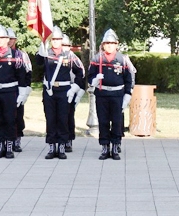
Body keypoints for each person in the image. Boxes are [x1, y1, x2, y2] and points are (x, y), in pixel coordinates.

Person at [88, 30, 136, 160]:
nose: (109, 45)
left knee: (116, 121)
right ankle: (105, 148)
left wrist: (127, 95)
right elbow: (89, 76)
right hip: (102, 94)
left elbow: (129, 79)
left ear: (117, 44)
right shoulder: (97, 58)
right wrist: (95, 80)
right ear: (103, 44)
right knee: (103, 121)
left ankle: (115, 147)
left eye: (112, 43)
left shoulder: (123, 59)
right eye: (107, 43)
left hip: (117, 95)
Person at [39, 30, 86, 160]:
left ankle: (61, 147)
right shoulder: (46, 54)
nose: (55, 42)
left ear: (61, 41)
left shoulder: (69, 55)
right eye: (53, 39)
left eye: (58, 39)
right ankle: (51, 147)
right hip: (49, 90)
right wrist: (41, 46)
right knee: (50, 118)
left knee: (63, 119)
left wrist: (74, 88)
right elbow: (38, 63)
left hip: (64, 90)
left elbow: (80, 72)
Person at [0, 26, 25, 159]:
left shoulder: (16, 55)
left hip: (11, 91)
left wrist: (22, 92)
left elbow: (21, 74)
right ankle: (0, 146)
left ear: (7, 39)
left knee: (10, 119)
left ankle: (9, 147)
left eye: (2, 38)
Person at [8, 28, 30, 152]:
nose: (9, 41)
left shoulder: (21, 54)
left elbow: (27, 73)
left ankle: (17, 139)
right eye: (8, 39)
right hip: (4, 89)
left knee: (17, 115)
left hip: (18, 88)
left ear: (15, 40)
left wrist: (25, 91)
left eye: (11, 39)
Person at [62, 34, 84, 152]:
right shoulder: (54, 56)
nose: (64, 47)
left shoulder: (73, 57)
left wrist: (76, 89)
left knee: (69, 116)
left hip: (70, 88)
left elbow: (81, 74)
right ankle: (59, 139)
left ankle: (69, 140)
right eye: (62, 45)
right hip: (58, 88)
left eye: (66, 45)